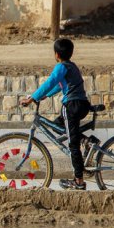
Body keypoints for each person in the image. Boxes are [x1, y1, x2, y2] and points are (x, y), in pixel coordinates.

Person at [19, 38, 91, 190]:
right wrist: (46, 96)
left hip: (71, 105)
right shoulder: (72, 66)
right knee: (58, 124)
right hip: (82, 104)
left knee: (73, 144)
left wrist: (32, 98)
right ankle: (85, 140)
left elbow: (50, 82)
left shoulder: (61, 67)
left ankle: (78, 182)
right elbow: (60, 85)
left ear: (57, 54)